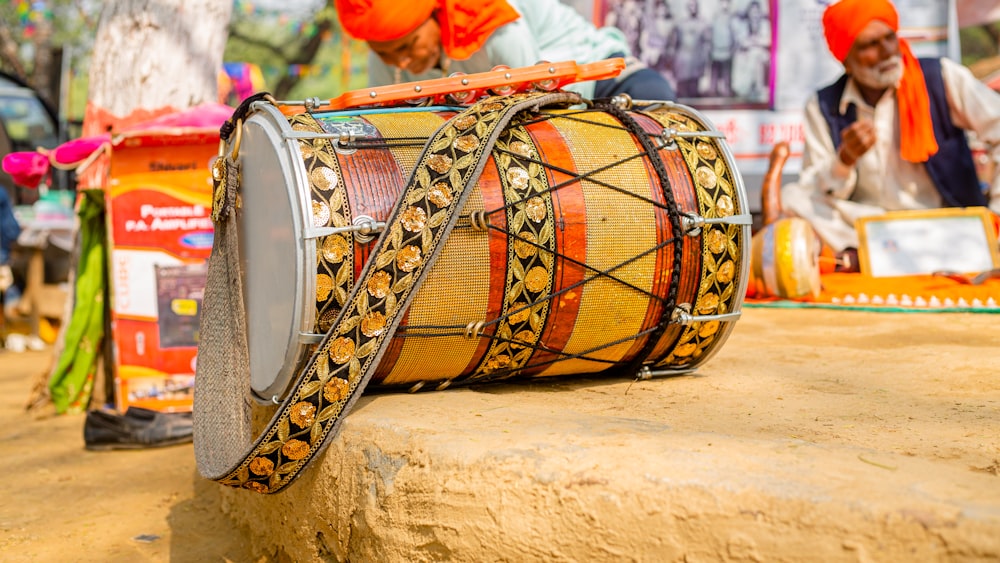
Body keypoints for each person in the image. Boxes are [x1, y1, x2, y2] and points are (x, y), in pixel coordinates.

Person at [782, 0, 1000, 266]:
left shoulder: (940, 77)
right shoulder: (823, 106)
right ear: (847, 61)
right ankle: (863, 254)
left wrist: (996, 214)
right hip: (871, 228)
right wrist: (844, 161)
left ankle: (866, 260)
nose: (887, 51)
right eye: (870, 45)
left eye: (889, 38)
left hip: (942, 226)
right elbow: (814, 188)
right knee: (793, 196)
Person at [333, 0, 676, 103]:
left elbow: (533, 106)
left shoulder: (489, 18)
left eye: (408, 46)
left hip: (598, 87)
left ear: (436, 14)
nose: (401, 62)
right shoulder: (385, 58)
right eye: (387, 54)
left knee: (655, 102)